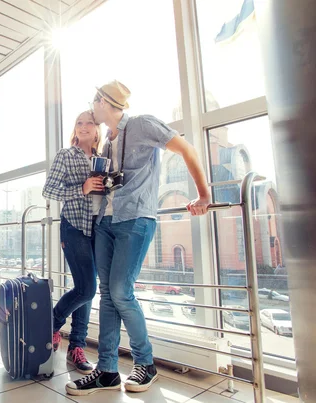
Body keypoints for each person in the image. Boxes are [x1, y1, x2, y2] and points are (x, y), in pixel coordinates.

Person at [66, 80, 211, 395]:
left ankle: (146, 363)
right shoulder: (107, 143)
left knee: (121, 291)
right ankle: (107, 371)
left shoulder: (143, 125)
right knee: (107, 294)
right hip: (107, 220)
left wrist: (203, 194)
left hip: (136, 219)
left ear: (106, 103)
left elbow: (186, 148)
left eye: (96, 99)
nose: (92, 104)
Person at [42, 110, 105, 375]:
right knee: (87, 289)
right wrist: (82, 188)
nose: (83, 127)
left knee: (86, 289)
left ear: (96, 128)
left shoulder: (103, 158)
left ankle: (76, 348)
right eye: (79, 123)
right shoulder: (66, 155)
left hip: (99, 229)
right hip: (74, 228)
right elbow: (49, 190)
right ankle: (52, 323)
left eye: (88, 122)